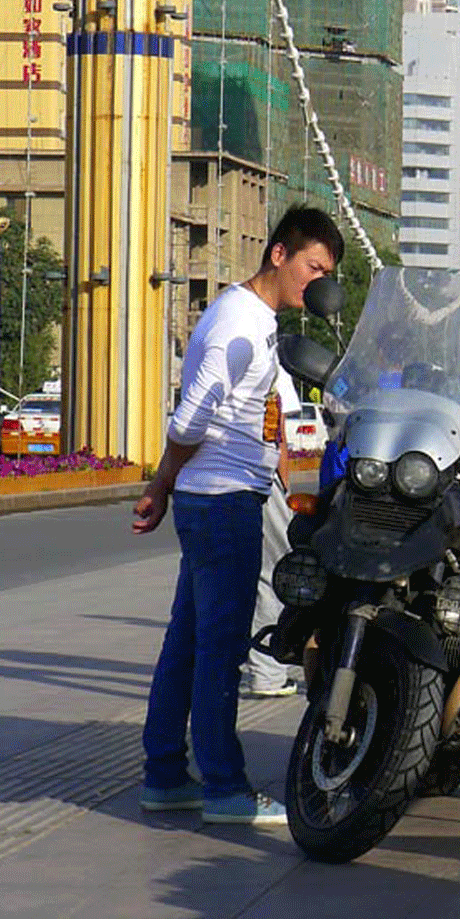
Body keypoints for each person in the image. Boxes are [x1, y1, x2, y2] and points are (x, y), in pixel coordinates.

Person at [133, 205, 340, 825]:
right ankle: (225, 787)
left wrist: (282, 465)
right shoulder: (238, 326)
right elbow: (191, 418)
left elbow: (264, 408)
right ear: (278, 254)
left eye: (326, 274)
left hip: (219, 497)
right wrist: (162, 484)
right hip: (222, 501)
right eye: (313, 267)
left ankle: (165, 775)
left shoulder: (258, 319)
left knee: (187, 643)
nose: (318, 282)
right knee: (220, 651)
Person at [243, 373, 302, 699]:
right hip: (259, 477)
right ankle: (267, 674)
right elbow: (277, 435)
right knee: (274, 573)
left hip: (210, 482)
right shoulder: (270, 364)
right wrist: (285, 486)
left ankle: (209, 671)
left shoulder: (206, 352)